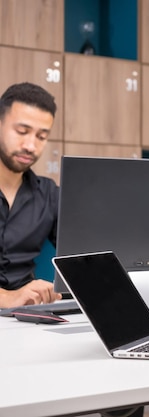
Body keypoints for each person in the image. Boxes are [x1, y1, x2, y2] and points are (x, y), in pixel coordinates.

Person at [0, 82, 61, 309]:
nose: (30, 145)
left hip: (27, 318)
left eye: (41, 136)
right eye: (22, 132)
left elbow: (85, 256)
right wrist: (7, 298)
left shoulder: (49, 195)